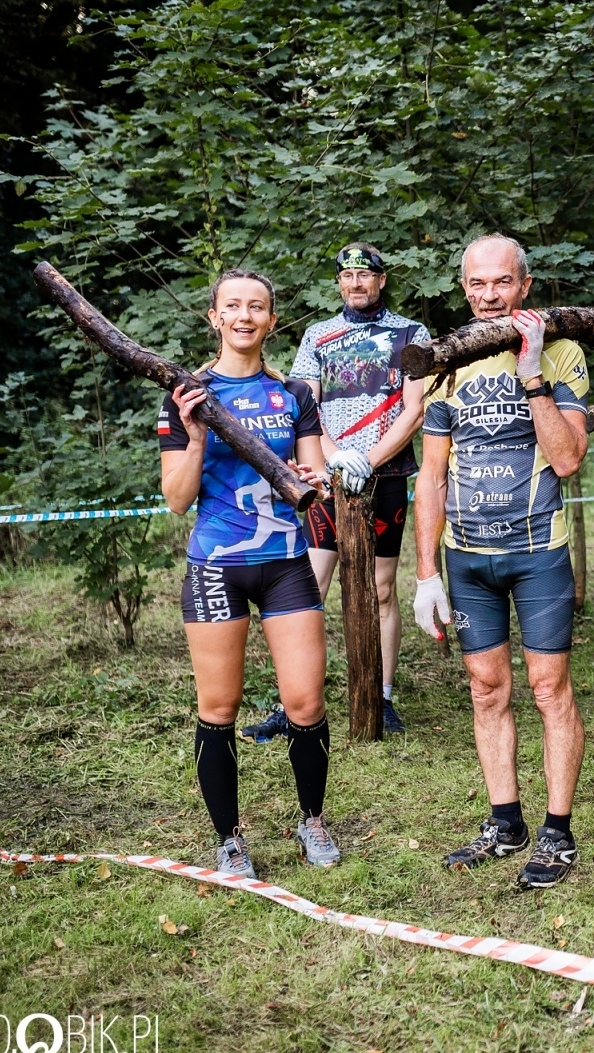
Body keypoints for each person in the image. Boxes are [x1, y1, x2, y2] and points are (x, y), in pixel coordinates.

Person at [411, 234, 590, 890]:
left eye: (503, 282)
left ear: (525, 285)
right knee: (486, 689)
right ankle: (505, 821)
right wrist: (425, 572)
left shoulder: (563, 350)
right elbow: (432, 476)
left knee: (548, 689)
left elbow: (567, 459)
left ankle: (557, 832)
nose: (490, 296)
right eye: (478, 284)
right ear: (464, 289)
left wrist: (533, 370)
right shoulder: (445, 360)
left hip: (538, 553)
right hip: (467, 559)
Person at [157, 269, 337, 878]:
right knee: (219, 705)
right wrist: (196, 437)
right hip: (217, 565)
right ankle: (229, 839)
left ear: (271, 320)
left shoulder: (293, 394)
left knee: (305, 701)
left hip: (285, 563)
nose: (244, 316)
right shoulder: (186, 394)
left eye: (256, 307)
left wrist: (315, 479)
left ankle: (312, 820)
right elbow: (177, 499)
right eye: (232, 306)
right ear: (215, 317)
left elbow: (314, 476)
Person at [241, 242, 427, 743]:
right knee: (310, 587)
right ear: (340, 282)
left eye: (366, 274)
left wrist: (370, 459)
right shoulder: (318, 335)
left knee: (381, 587)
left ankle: (382, 698)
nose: (356, 283)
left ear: (381, 280)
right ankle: (292, 704)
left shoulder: (411, 333)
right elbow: (306, 406)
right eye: (348, 275)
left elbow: (414, 409)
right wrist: (333, 459)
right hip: (328, 479)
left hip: (386, 476)